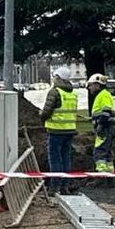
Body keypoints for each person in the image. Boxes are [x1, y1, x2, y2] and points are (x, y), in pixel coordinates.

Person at [39, 67, 78, 195]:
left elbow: (46, 112)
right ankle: (64, 186)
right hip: (69, 131)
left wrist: (40, 115)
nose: (53, 78)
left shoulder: (55, 92)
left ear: (59, 78)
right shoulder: (72, 93)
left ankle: (54, 187)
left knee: (55, 159)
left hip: (56, 131)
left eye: (55, 76)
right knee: (66, 158)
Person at [86, 73, 115, 183]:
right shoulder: (105, 94)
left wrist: (100, 125)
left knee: (99, 152)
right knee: (107, 153)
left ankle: (101, 177)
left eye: (90, 85)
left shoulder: (103, 95)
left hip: (105, 128)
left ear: (97, 85)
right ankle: (110, 178)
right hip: (109, 127)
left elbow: (106, 112)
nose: (89, 88)